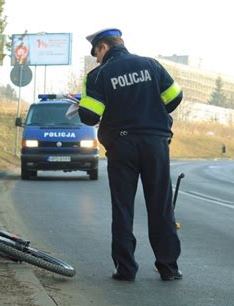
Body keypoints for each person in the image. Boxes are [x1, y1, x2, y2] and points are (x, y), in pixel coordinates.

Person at [78, 28, 184, 281]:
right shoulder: (151, 65)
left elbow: (89, 116)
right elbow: (174, 98)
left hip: (122, 146)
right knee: (161, 205)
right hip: (155, 143)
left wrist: (84, 101)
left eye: (96, 54)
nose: (96, 59)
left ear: (103, 47)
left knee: (123, 207)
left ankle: (125, 269)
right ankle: (169, 268)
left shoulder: (98, 75)